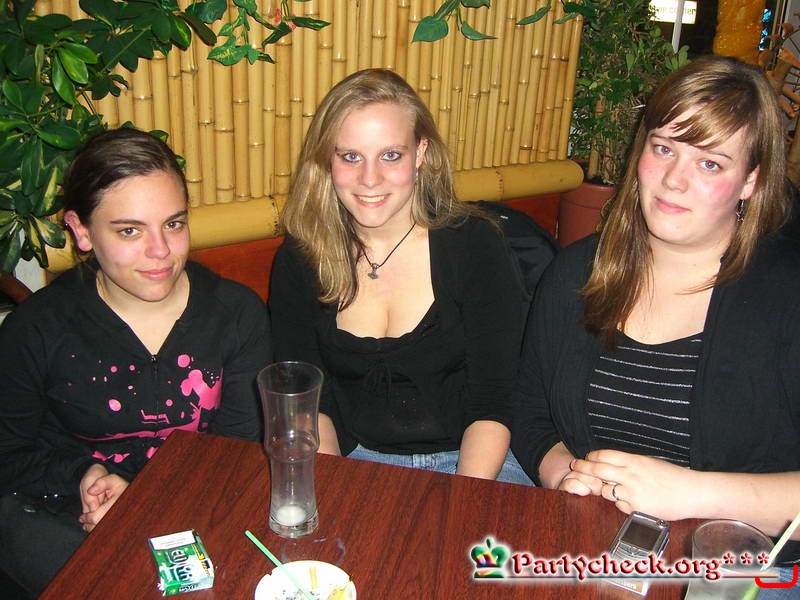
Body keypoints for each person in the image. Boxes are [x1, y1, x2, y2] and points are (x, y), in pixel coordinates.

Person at [512, 54, 800, 580]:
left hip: (743, 572)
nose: (673, 180)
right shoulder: (576, 273)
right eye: (663, 148)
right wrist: (564, 472)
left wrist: (691, 492)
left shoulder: (787, 295)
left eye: (710, 164)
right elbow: (530, 410)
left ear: (751, 181)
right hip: (590, 543)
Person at [0, 127, 271, 597]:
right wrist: (83, 476)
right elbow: (8, 455)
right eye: (130, 230)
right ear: (81, 231)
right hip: (70, 516)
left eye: (174, 224)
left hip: (205, 505)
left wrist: (144, 502)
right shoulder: (36, 329)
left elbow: (239, 453)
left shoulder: (237, 314)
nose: (160, 251)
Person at [269, 68, 535, 484]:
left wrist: (461, 500)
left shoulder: (474, 245)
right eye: (350, 156)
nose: (369, 179)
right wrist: (334, 488)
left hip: (474, 461)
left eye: (390, 155)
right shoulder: (302, 258)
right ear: (326, 159)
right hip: (353, 460)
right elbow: (309, 403)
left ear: (420, 152)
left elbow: (494, 400)